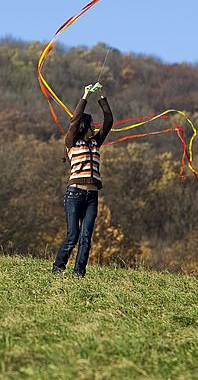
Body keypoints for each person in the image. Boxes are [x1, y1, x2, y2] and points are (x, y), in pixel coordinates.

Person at [52, 82, 113, 277]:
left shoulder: (95, 142)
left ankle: (79, 273)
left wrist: (102, 97)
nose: (94, 128)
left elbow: (109, 121)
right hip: (75, 194)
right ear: (83, 126)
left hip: (92, 196)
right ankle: (58, 267)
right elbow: (74, 120)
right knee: (73, 235)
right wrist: (85, 95)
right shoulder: (72, 142)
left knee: (86, 237)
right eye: (91, 125)